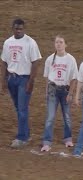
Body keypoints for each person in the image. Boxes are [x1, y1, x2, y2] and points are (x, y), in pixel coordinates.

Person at [0, 18, 42, 148]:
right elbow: (4, 62)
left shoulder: (30, 42)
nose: (18, 31)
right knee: (19, 108)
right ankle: (26, 133)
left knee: (22, 109)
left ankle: (21, 138)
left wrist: (31, 81)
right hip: (12, 78)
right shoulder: (8, 42)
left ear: (23, 29)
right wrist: (3, 80)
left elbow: (35, 62)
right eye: (16, 28)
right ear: (12, 28)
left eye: (20, 29)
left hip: (24, 79)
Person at [40, 35, 78, 152]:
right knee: (50, 117)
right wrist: (47, 90)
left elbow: (74, 78)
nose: (59, 44)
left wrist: (70, 93)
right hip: (53, 89)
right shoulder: (50, 59)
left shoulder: (71, 59)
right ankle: (46, 142)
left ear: (65, 45)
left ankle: (68, 139)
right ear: (54, 44)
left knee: (66, 116)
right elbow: (47, 77)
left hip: (65, 90)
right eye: (57, 42)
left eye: (61, 42)